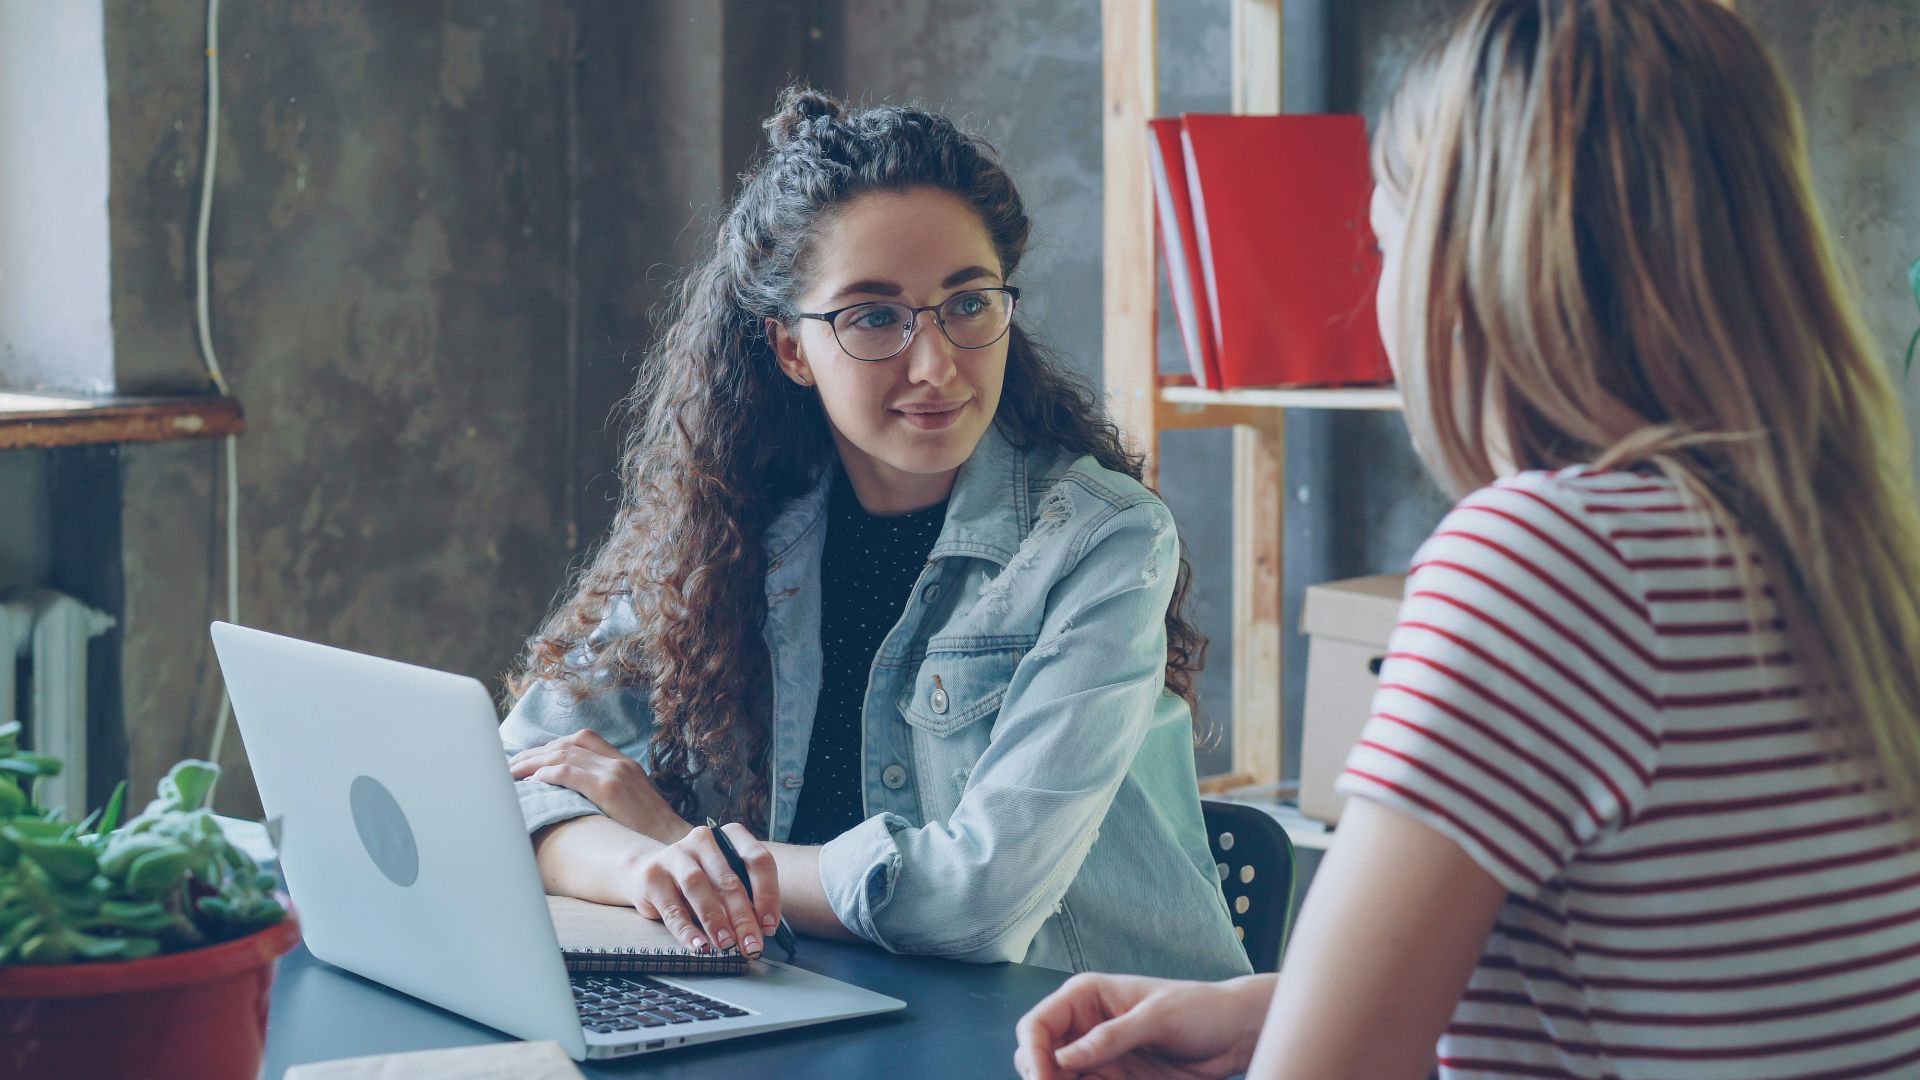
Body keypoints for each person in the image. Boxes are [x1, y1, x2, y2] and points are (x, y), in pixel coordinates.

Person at [1015, 0, 1920, 1075]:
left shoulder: (1550, 560)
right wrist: (1274, 1004)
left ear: (1476, 265)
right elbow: (1681, 993)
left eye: (1382, 241)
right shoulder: (1835, 547)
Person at [497, 87, 1250, 982]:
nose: (935, 366)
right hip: (828, 1011)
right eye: (873, 316)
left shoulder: (1104, 542)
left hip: (1090, 1043)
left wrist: (698, 849)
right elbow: (512, 787)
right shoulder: (721, 520)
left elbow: (978, 901)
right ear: (789, 349)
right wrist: (647, 866)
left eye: (968, 305)